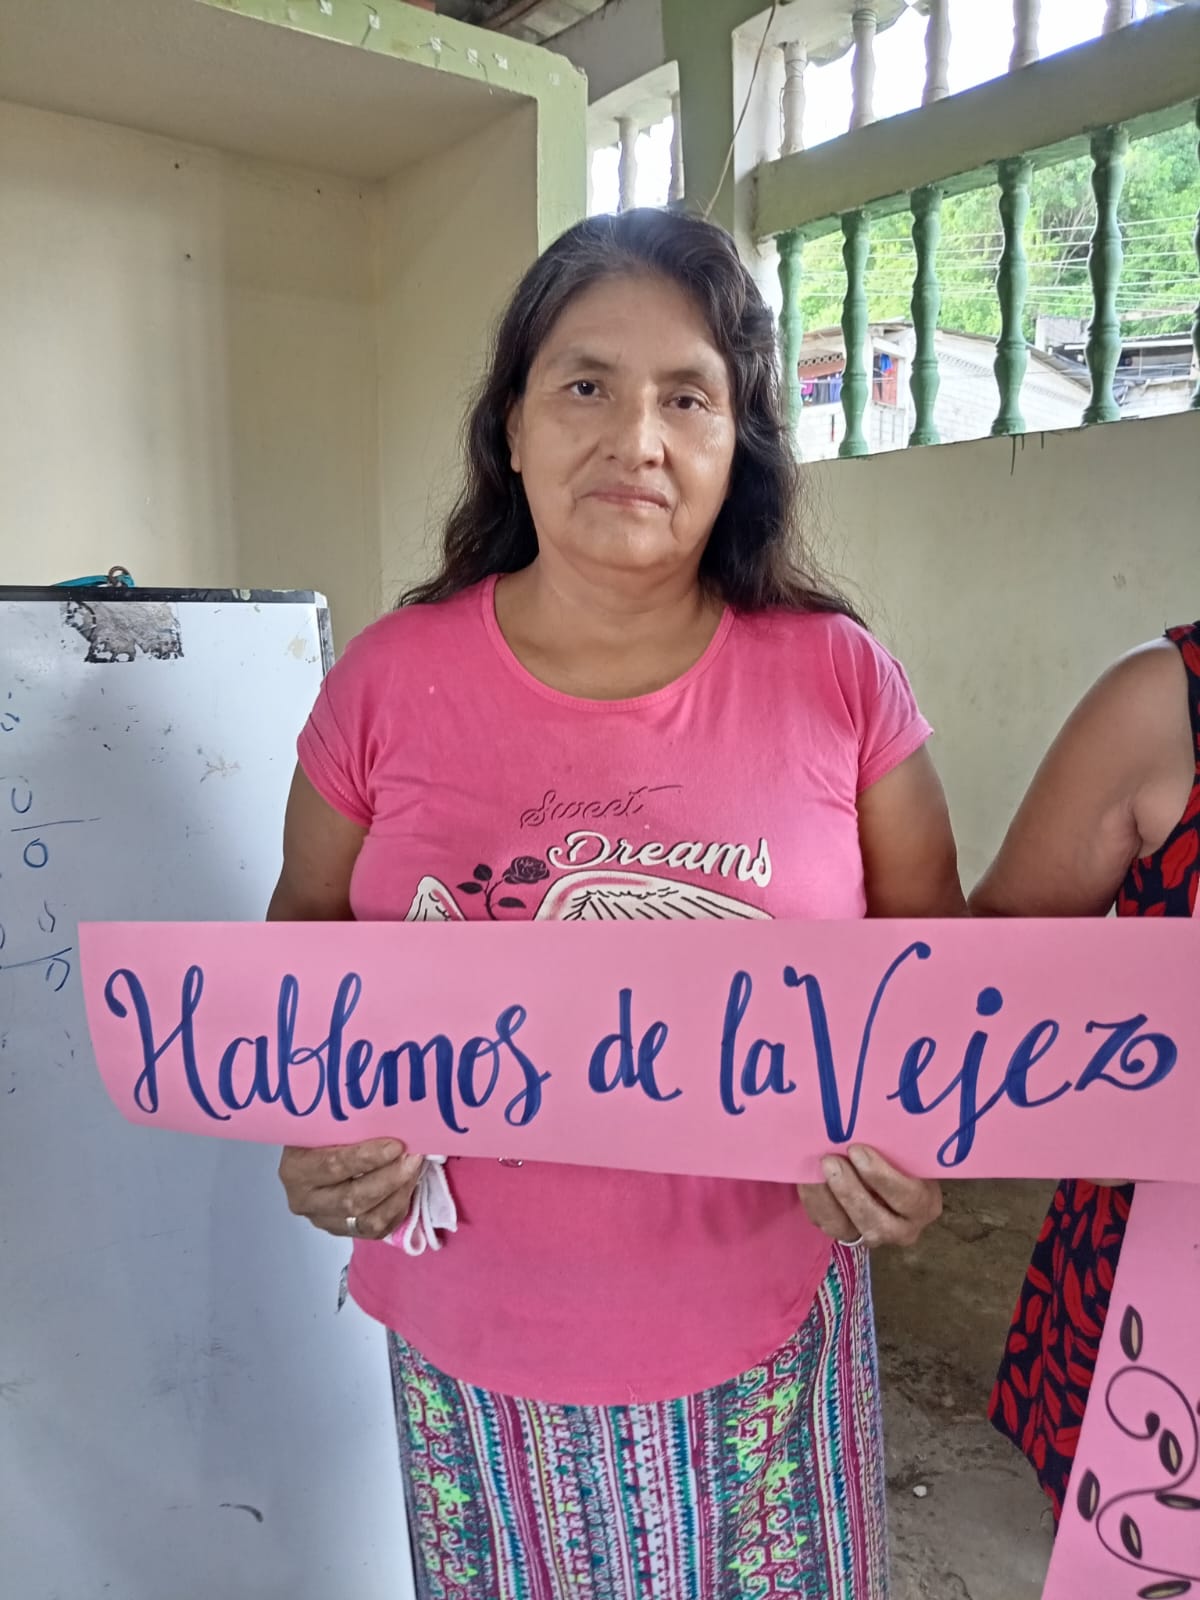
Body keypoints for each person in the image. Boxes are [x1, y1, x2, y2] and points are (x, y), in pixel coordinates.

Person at [268, 207, 965, 1599]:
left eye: (687, 397)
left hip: (772, 1346)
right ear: (513, 428)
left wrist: (916, 1150)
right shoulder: (387, 682)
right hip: (474, 1358)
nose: (635, 438)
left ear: (738, 442)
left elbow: (935, 971)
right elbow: (301, 936)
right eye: (585, 384)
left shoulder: (838, 677)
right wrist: (311, 1129)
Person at [970, 623, 1200, 1519]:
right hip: (1159, 1282)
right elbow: (997, 964)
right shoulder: (1165, 703)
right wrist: (1086, 1092)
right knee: (1149, 1542)